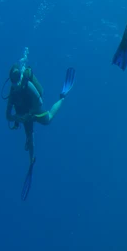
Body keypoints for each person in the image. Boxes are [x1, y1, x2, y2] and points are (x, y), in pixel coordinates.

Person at [6, 64, 75, 198]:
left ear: (20, 76)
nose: (16, 82)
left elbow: (40, 101)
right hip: (24, 115)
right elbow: (7, 115)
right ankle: (31, 160)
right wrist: (18, 118)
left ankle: (63, 96)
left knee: (48, 119)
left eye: (17, 78)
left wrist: (31, 115)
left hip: (33, 109)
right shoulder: (12, 92)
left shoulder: (27, 85)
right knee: (30, 137)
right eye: (13, 80)